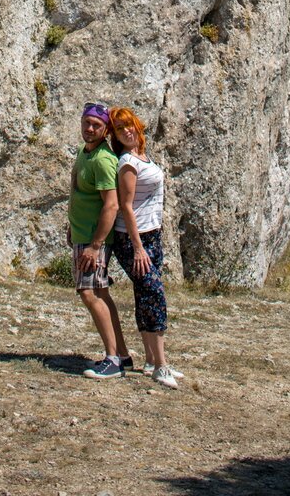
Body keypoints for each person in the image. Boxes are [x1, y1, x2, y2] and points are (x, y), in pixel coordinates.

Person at [108, 105, 183, 389]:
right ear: (115, 135)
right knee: (154, 293)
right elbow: (125, 206)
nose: (126, 131)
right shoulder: (128, 162)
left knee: (146, 293)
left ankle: (152, 359)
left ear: (137, 125)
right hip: (132, 238)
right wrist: (138, 248)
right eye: (119, 128)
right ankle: (161, 365)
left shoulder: (143, 156)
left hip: (151, 235)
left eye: (128, 125)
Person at [67, 102, 131, 379]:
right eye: (86, 123)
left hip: (94, 240)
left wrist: (95, 246)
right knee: (100, 293)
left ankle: (112, 359)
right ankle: (123, 355)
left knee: (90, 293)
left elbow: (111, 205)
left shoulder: (104, 160)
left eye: (96, 125)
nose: (90, 128)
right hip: (83, 234)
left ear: (105, 130)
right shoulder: (85, 152)